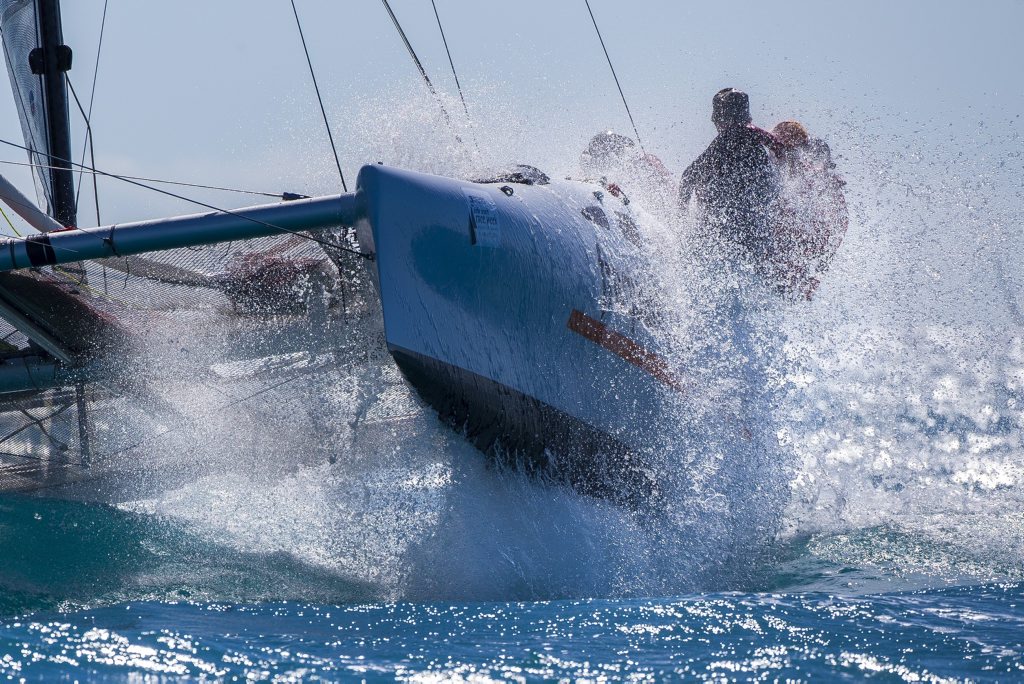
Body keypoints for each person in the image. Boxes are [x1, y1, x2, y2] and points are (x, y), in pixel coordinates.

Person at [678, 88, 782, 270]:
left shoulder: (729, 138)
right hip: (755, 228)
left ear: (720, 118)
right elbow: (782, 150)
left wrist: (681, 216)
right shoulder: (756, 137)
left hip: (723, 228)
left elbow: (688, 176)